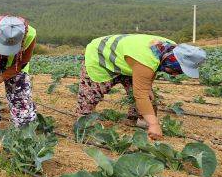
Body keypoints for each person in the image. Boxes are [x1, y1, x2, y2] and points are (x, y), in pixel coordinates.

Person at [76, 34, 206, 139]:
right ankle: (83, 123)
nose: (178, 74)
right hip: (101, 56)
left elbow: (154, 66)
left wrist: (148, 86)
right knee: (92, 93)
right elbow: (141, 92)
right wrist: (154, 124)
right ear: (174, 61)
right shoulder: (147, 59)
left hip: (129, 59)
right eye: (180, 70)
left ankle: (137, 119)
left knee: (146, 93)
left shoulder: (169, 49)